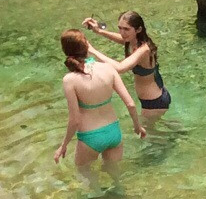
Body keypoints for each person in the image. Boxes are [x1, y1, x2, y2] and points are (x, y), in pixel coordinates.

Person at [55, 30, 145, 185]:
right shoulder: (108, 69)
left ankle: (96, 193)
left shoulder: (69, 80)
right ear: (86, 46)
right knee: (114, 171)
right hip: (113, 132)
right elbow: (130, 104)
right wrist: (138, 127)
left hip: (90, 137)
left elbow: (75, 120)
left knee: (84, 171)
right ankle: (118, 189)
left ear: (65, 51)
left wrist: (63, 145)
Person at [83, 11, 172, 115]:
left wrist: (92, 50)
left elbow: (120, 68)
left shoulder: (144, 50)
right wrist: (99, 31)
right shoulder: (133, 41)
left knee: (147, 130)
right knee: (152, 126)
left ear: (138, 29)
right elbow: (121, 38)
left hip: (154, 102)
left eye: (126, 29)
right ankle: (178, 129)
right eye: (120, 28)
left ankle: (180, 130)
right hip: (154, 97)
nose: (122, 32)